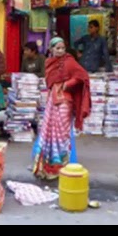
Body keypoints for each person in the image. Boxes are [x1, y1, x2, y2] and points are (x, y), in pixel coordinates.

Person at [32, 37, 91, 180]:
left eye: (62, 48)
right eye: (57, 48)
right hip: (52, 100)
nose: (60, 51)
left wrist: (68, 84)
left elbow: (82, 76)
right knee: (50, 130)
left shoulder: (69, 61)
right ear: (51, 49)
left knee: (62, 133)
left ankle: (62, 166)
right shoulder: (49, 62)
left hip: (65, 100)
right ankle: (49, 165)